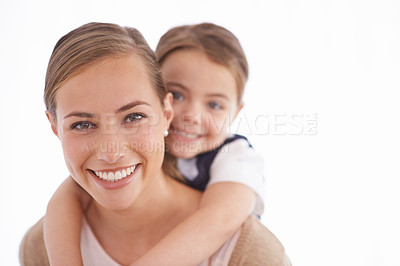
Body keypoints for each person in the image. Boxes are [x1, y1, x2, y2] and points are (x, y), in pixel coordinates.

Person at [20, 22, 291, 266]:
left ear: (164, 111)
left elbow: (220, 219)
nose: (111, 153)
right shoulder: (39, 248)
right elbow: (66, 194)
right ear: (54, 126)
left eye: (134, 116)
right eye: (83, 124)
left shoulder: (237, 167)